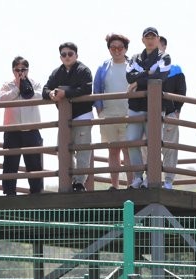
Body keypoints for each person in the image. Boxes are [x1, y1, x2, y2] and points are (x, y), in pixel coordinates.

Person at [125, 27, 171, 189]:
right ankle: (137, 178)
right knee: (132, 142)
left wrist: (138, 81)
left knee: (153, 144)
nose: (150, 40)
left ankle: (151, 179)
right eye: (147, 37)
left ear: (158, 39)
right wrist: (147, 74)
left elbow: (160, 76)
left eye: (153, 37)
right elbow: (129, 75)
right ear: (143, 40)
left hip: (154, 107)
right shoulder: (135, 57)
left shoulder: (165, 56)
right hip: (135, 106)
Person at [43, 42, 93, 192]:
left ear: (76, 55)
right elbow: (46, 89)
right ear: (60, 57)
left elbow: (86, 88)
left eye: (70, 54)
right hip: (65, 119)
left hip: (83, 115)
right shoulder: (57, 72)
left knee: (82, 150)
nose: (67, 57)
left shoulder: (83, 70)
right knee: (63, 149)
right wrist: (50, 93)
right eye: (64, 54)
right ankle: (66, 181)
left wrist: (66, 93)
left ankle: (79, 183)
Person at [0, 56, 44, 196]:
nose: (20, 72)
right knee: (10, 163)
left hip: (31, 129)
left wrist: (26, 87)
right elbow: (2, 99)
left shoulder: (35, 83)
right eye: (17, 69)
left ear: (28, 70)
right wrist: (17, 88)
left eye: (23, 69)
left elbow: (40, 96)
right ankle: (9, 193)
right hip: (12, 130)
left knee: (34, 164)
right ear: (13, 71)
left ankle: (36, 193)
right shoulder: (7, 85)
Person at [94, 33, 131, 189]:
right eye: (113, 47)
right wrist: (100, 111)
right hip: (108, 113)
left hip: (129, 113)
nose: (117, 50)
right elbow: (96, 90)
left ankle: (132, 184)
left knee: (128, 149)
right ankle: (114, 185)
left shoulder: (132, 65)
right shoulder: (103, 67)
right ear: (109, 49)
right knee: (113, 150)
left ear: (125, 49)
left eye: (120, 47)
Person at [159, 36, 186, 190]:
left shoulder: (175, 69)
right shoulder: (145, 67)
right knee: (146, 147)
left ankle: (168, 181)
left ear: (164, 47)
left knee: (170, 148)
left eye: (159, 46)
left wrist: (177, 111)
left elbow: (181, 91)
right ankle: (148, 178)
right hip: (149, 114)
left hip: (169, 113)